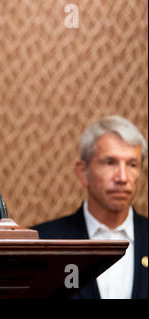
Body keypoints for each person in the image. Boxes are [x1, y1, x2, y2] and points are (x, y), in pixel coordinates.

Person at [32, 115, 148, 299]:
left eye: (132, 165)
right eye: (110, 163)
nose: (123, 177)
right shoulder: (41, 245)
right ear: (83, 172)